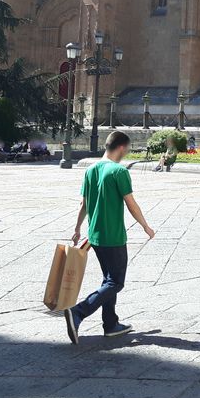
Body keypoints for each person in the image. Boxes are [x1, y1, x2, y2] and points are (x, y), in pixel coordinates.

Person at [65, 131, 155, 344]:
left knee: (109, 279)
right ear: (122, 147)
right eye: (128, 149)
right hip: (113, 235)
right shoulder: (119, 171)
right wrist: (145, 226)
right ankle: (78, 312)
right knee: (116, 282)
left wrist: (77, 228)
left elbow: (84, 203)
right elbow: (131, 203)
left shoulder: (91, 170)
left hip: (94, 236)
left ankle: (111, 324)